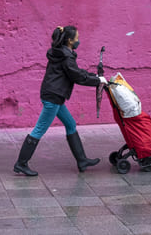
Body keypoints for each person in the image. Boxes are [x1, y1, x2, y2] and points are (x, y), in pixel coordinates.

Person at [13, 25, 108, 176]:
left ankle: (82, 160)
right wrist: (97, 81)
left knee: (70, 124)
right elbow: (76, 76)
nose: (78, 40)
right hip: (53, 97)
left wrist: (95, 77)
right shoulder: (66, 56)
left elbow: (76, 72)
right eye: (77, 38)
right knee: (39, 129)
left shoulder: (62, 53)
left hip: (54, 95)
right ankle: (21, 163)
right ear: (70, 41)